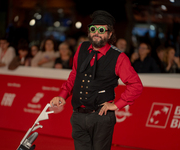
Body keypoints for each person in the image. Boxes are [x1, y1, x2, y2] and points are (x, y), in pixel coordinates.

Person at [50, 10, 143, 150]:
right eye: (93, 29)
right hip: (78, 117)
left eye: (101, 29)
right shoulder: (81, 49)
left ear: (109, 34)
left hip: (102, 117)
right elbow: (74, 75)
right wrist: (63, 95)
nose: (96, 33)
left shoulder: (118, 57)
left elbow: (136, 85)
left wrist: (117, 105)